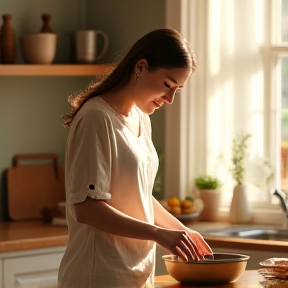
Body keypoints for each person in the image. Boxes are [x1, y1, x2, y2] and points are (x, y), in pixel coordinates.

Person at [58, 28, 213, 288]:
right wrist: (159, 234)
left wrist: (181, 232)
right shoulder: (96, 118)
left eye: (178, 89)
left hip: (136, 276)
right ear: (140, 67)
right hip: (98, 277)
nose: (170, 99)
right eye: (167, 84)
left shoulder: (141, 118)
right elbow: (87, 209)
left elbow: (137, 193)